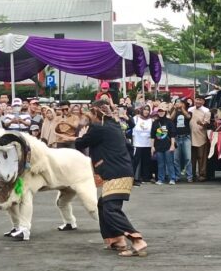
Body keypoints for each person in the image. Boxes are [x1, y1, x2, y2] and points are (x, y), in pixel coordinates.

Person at [75, 100, 147, 257]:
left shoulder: (98, 128)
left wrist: (80, 132)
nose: (89, 117)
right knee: (104, 205)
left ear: (96, 113)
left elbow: (81, 143)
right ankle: (116, 239)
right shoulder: (114, 125)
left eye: (91, 114)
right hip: (121, 170)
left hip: (116, 172)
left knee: (110, 209)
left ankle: (137, 240)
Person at [151, 103, 177, 185]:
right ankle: (160, 179)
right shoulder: (155, 122)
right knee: (160, 164)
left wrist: (172, 145)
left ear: (165, 112)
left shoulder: (169, 122)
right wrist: (152, 146)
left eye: (162, 111)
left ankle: (172, 178)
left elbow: (172, 134)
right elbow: (152, 136)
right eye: (159, 111)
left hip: (168, 145)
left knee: (170, 163)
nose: (161, 112)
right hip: (158, 146)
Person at [189, 95, 211, 182]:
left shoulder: (206, 111)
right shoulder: (190, 110)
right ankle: (192, 175)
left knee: (202, 157)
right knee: (191, 158)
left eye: (200, 100)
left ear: (203, 102)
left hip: (201, 137)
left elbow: (207, 124)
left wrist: (201, 123)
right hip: (190, 137)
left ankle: (202, 175)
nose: (198, 101)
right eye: (197, 99)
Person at [170, 98, 193, 183]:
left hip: (186, 137)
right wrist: (175, 109)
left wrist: (182, 108)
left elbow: (188, 117)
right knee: (176, 159)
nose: (179, 104)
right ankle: (177, 176)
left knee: (188, 158)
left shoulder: (188, 111)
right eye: (177, 103)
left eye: (181, 103)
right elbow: (170, 119)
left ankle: (189, 176)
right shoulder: (174, 112)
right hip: (176, 137)